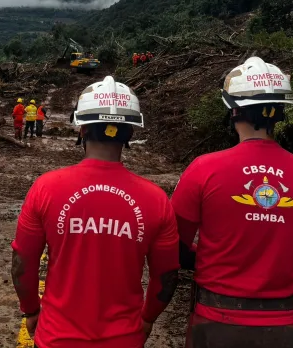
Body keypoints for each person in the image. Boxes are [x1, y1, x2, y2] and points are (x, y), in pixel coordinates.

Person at [171, 57, 293, 348]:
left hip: (214, 322)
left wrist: (219, 260)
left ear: (233, 110)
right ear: (281, 113)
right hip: (283, 325)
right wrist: (276, 264)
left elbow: (174, 246)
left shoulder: (203, 170)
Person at [11, 76, 180, 347]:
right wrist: (148, 319)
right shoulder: (156, 200)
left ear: (81, 129)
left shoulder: (46, 188)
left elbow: (23, 263)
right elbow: (167, 275)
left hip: (57, 337)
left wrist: (30, 310)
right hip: (124, 339)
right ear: (131, 133)